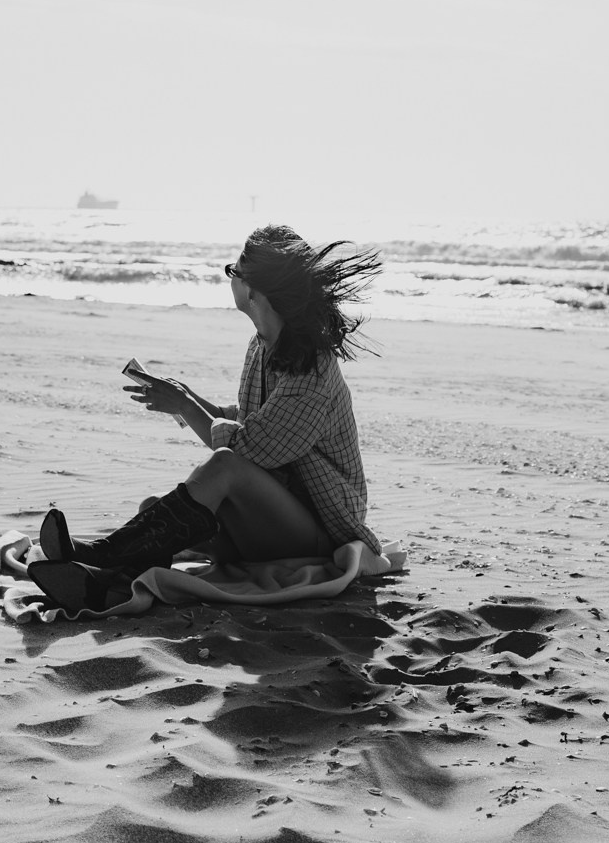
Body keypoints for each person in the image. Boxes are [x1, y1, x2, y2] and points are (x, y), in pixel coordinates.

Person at [29, 223, 382, 615]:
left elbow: (248, 451)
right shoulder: (263, 345)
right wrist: (183, 397)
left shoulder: (310, 367)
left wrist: (185, 405)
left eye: (233, 271)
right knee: (152, 510)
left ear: (253, 290)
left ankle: (100, 554)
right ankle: (100, 584)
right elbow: (249, 424)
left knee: (224, 465)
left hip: (319, 533)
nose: (229, 278)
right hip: (271, 522)